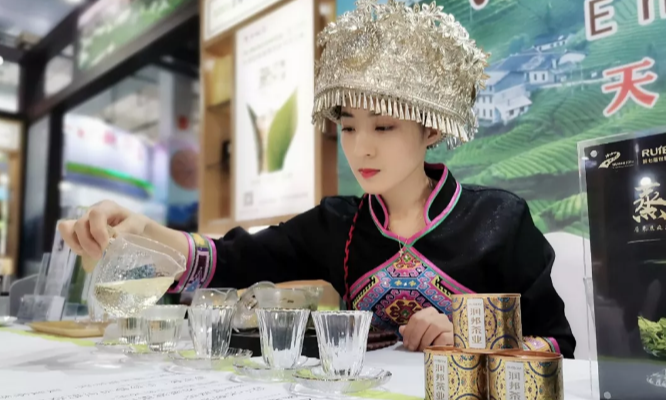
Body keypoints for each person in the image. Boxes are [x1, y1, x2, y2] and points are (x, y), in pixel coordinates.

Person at [59, 0, 576, 357]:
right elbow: (231, 258)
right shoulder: (339, 224)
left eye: (384, 126)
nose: (361, 147)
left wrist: (473, 336)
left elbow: (558, 343)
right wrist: (142, 232)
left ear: (431, 128)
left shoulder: (497, 219)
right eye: (347, 126)